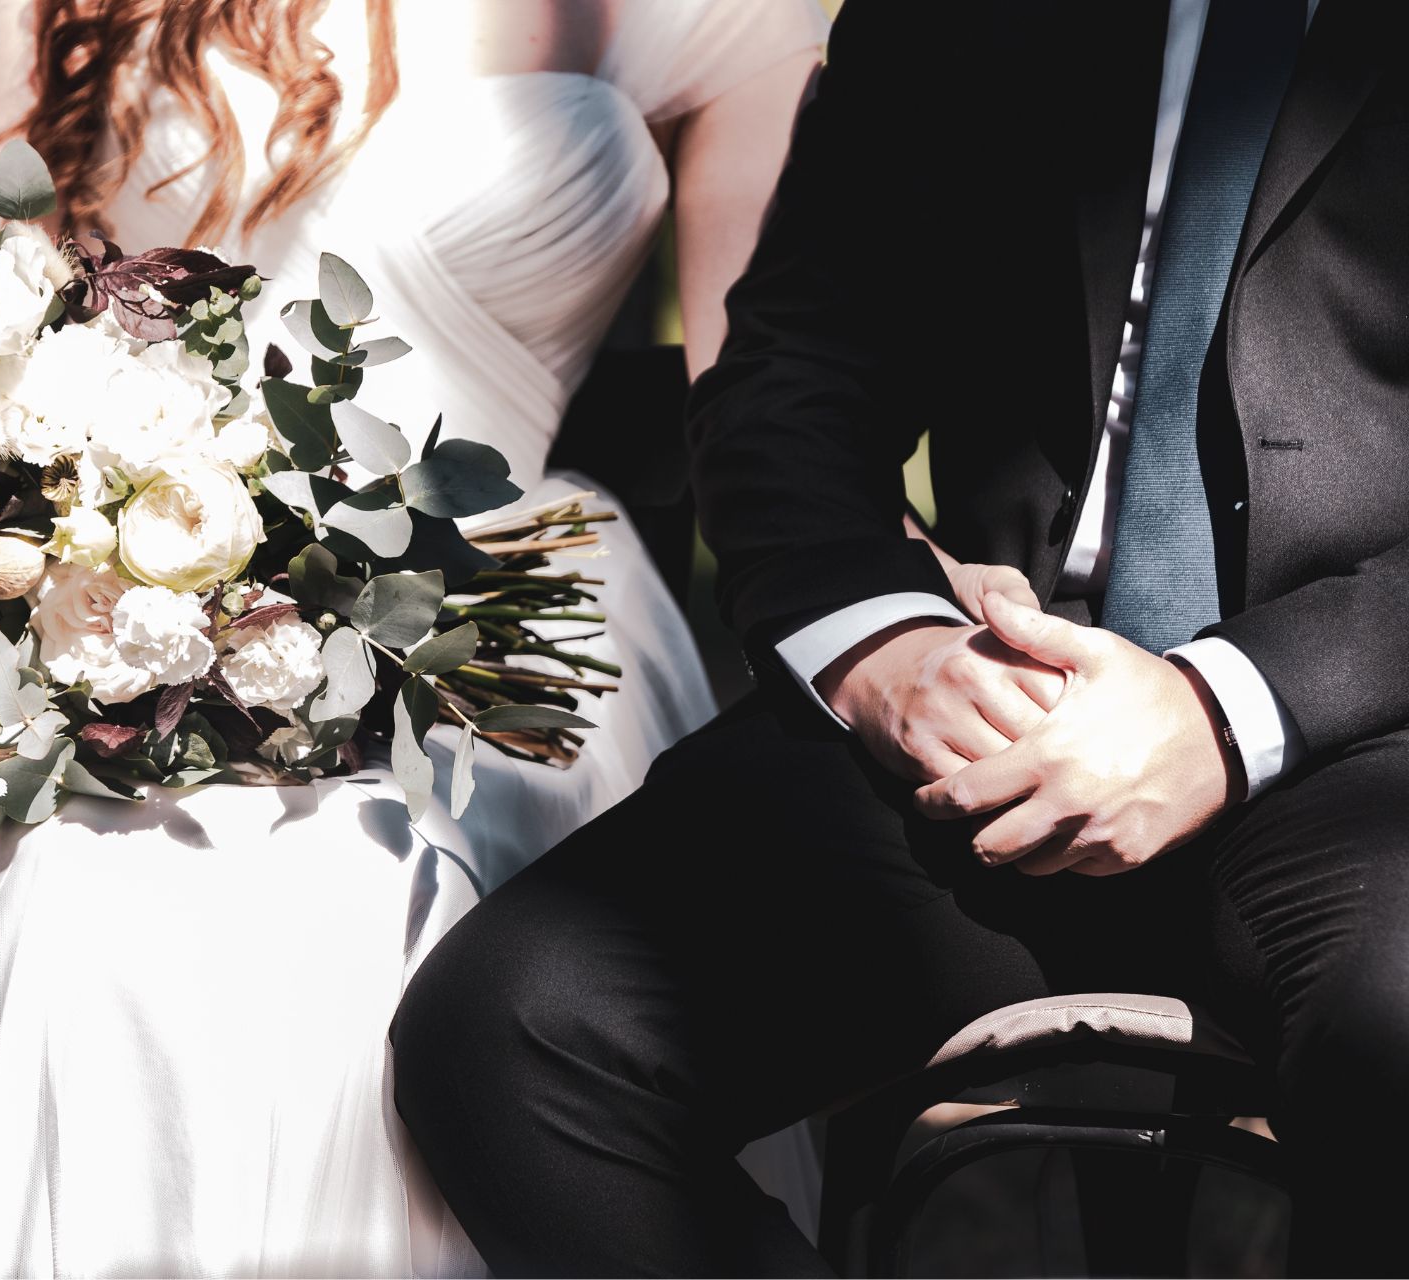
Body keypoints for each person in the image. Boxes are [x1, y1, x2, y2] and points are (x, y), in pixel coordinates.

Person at [0, 1, 830, 1274]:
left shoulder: (722, 22)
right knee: (59, 900)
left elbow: (774, 426)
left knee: (338, 910)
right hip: (82, 579)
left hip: (472, 628)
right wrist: (57, 528)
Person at [392, 0, 1409, 1274]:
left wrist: (1226, 704)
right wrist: (886, 651)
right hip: (992, 695)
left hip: (1364, 730)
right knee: (516, 1030)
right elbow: (788, 374)